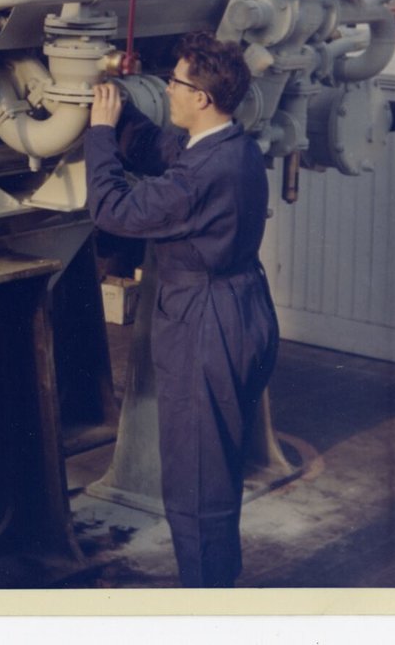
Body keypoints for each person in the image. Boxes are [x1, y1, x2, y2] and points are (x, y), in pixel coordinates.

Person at [84, 31, 279, 588]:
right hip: (243, 309)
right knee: (215, 469)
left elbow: (111, 208)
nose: (168, 88)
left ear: (201, 98)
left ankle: (206, 603)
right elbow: (158, 150)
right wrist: (118, 110)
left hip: (205, 325)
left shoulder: (199, 175)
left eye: (175, 81)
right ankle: (217, 586)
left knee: (196, 480)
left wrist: (98, 134)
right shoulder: (230, 144)